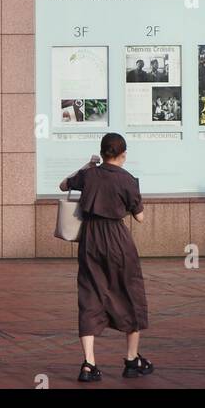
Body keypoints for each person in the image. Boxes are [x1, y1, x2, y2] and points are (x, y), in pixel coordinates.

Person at [59, 131, 153, 383]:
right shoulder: (128, 180)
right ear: (123, 155)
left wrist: (87, 165)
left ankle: (89, 365)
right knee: (130, 294)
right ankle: (132, 360)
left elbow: (63, 184)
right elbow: (140, 218)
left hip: (90, 241)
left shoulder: (89, 175)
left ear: (101, 154)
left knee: (89, 295)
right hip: (118, 242)